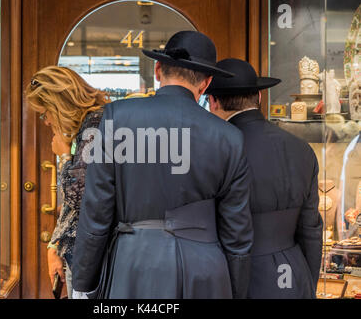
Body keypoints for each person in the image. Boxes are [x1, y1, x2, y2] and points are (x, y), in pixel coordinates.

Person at [72, 31, 253, 299]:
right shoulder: (230, 137)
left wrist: (84, 280)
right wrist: (234, 289)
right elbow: (237, 232)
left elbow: (96, 208)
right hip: (204, 270)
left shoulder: (117, 117)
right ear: (206, 83)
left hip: (132, 265)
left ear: (158, 70)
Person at [207, 58, 323, 298]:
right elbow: (311, 230)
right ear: (259, 97)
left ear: (213, 101)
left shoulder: (216, 150)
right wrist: (307, 284)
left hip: (241, 276)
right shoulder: (302, 149)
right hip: (294, 271)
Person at [26, 66, 109, 298]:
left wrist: (63, 156)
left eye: (45, 113)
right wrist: (54, 245)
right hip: (79, 250)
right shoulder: (87, 127)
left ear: (58, 105)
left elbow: (80, 196)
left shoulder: (94, 127)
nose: (46, 121)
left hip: (91, 254)